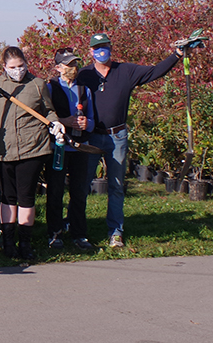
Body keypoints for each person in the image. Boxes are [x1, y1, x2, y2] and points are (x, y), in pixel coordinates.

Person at [77, 32, 181, 248]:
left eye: (105, 46)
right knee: (82, 184)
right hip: (92, 137)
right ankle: (76, 228)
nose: (101, 51)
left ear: (111, 48)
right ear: (90, 52)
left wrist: (177, 54)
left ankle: (116, 232)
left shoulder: (125, 71)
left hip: (117, 137)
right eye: (97, 47)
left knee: (116, 186)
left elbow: (155, 71)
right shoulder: (84, 75)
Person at [0, 46, 64, 260]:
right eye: (13, 67)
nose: (18, 70)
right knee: (7, 196)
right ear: (4, 67)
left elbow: (48, 110)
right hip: (2, 149)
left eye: (21, 66)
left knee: (26, 196)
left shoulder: (37, 85)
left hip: (32, 148)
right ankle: (9, 242)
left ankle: (25, 243)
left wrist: (55, 123)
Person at [45, 48, 96, 251]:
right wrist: (63, 121)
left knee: (79, 192)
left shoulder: (85, 90)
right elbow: (45, 116)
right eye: (68, 65)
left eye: (75, 64)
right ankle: (54, 232)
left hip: (79, 148)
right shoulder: (50, 87)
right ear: (58, 67)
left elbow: (92, 118)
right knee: (55, 191)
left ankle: (79, 233)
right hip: (57, 147)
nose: (72, 68)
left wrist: (87, 124)